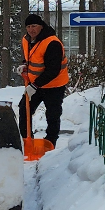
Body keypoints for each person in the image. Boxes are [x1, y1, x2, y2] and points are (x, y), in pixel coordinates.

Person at [17, 14, 69, 145]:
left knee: (52, 114)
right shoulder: (26, 39)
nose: (31, 29)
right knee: (24, 109)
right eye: (28, 27)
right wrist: (24, 65)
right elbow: (31, 57)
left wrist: (34, 86)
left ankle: (50, 142)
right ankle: (26, 140)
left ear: (41, 26)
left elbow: (53, 70)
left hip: (54, 86)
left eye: (34, 26)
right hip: (35, 84)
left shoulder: (52, 43)